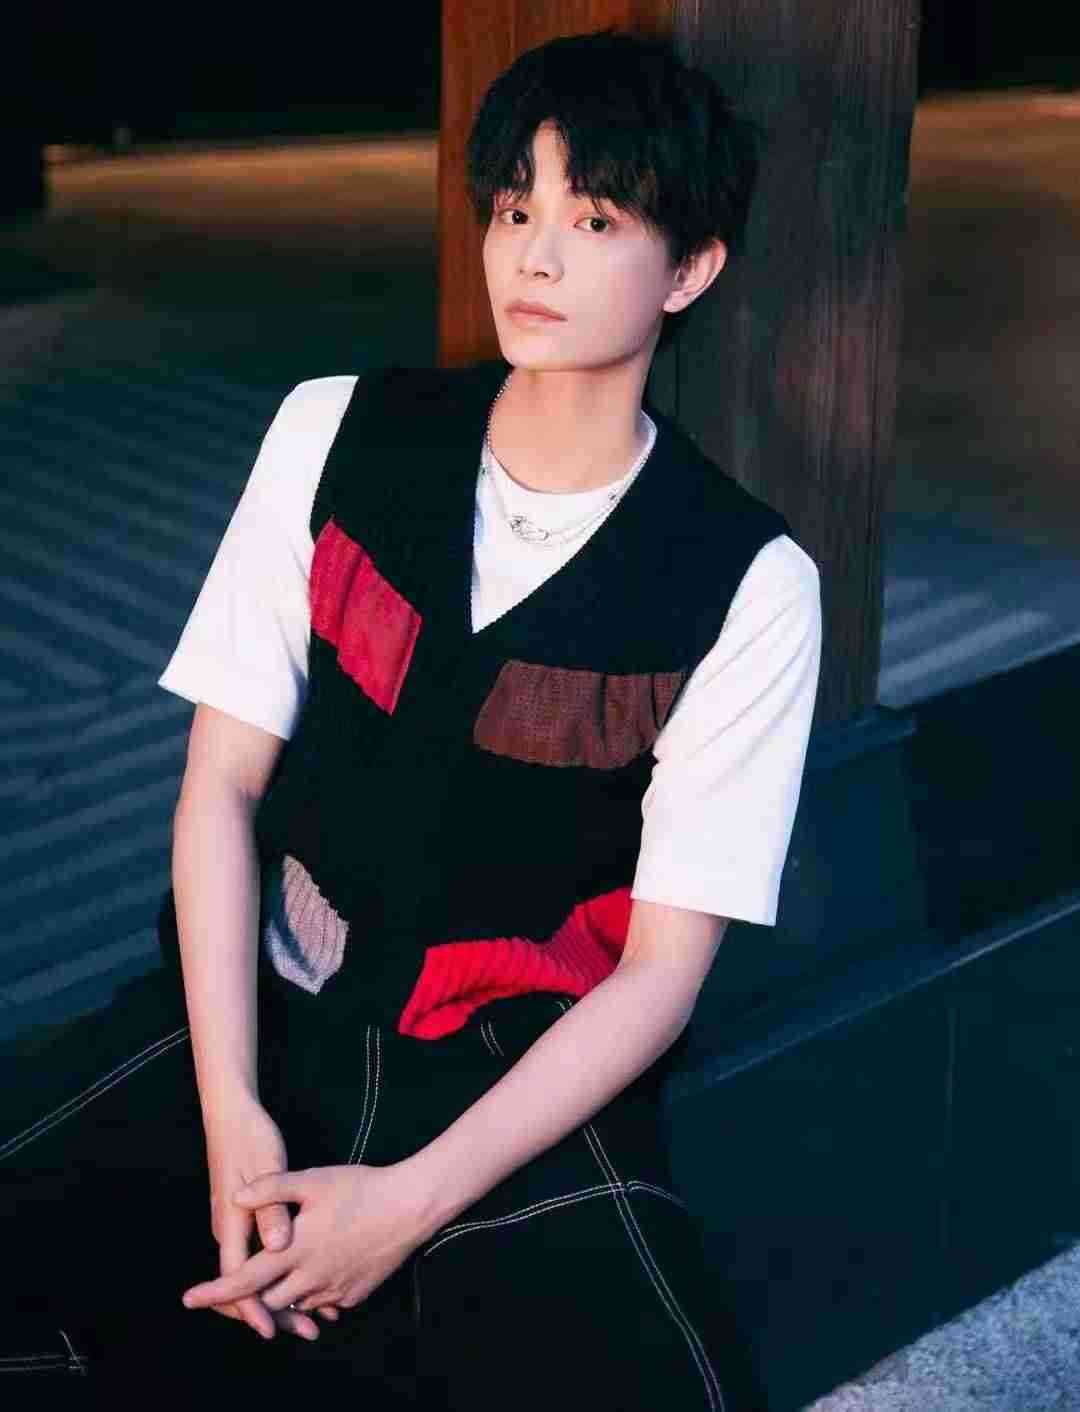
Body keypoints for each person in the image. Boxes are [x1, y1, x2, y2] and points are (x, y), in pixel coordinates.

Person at [1, 26, 821, 1410]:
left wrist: (407, 1204)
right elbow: (219, 792)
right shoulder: (335, 431)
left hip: (512, 1075)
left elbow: (660, 977)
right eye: (513, 209)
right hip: (266, 1006)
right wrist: (231, 1115)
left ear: (691, 269)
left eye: (593, 219)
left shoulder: (750, 582)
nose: (533, 256)